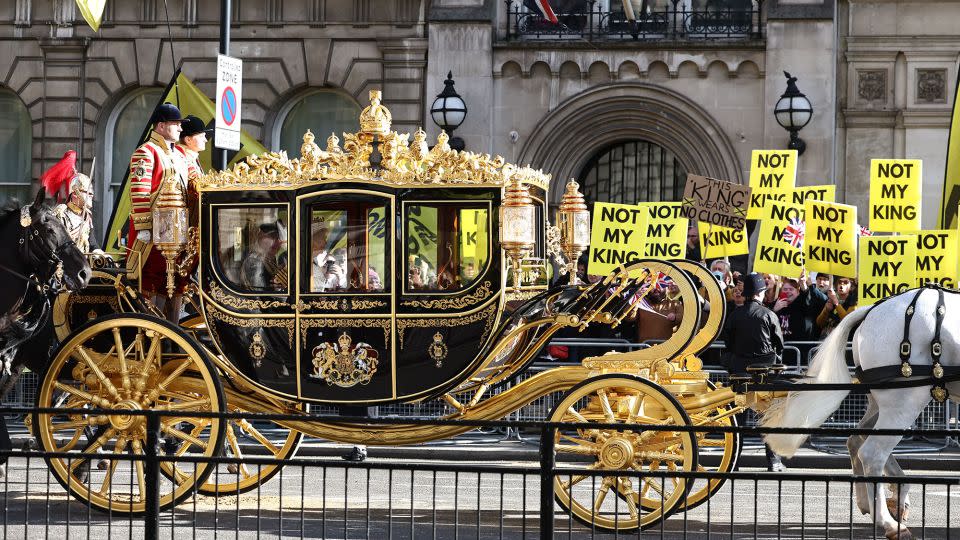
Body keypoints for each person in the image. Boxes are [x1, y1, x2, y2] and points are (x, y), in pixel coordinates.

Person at [126, 102, 189, 322]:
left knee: (175, 283)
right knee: (150, 284)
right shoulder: (145, 152)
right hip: (154, 232)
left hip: (177, 229)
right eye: (176, 124)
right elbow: (140, 193)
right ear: (161, 126)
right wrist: (144, 227)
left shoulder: (179, 155)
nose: (181, 129)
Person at [722, 272, 786, 472]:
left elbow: (728, 344)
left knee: (737, 420)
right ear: (759, 293)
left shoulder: (734, 316)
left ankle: (733, 461)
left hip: (740, 374)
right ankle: (773, 461)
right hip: (764, 375)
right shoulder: (768, 314)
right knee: (770, 418)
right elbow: (779, 344)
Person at [39, 150, 101, 254]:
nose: (91, 195)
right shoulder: (61, 213)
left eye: (91, 193)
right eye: (87, 192)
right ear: (75, 194)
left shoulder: (86, 216)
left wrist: (100, 254)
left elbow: (92, 243)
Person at [241, 223, 286, 290]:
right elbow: (259, 293)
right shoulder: (254, 261)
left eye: (278, 238)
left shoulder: (269, 259)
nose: (278, 242)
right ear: (260, 236)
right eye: (272, 236)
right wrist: (277, 289)